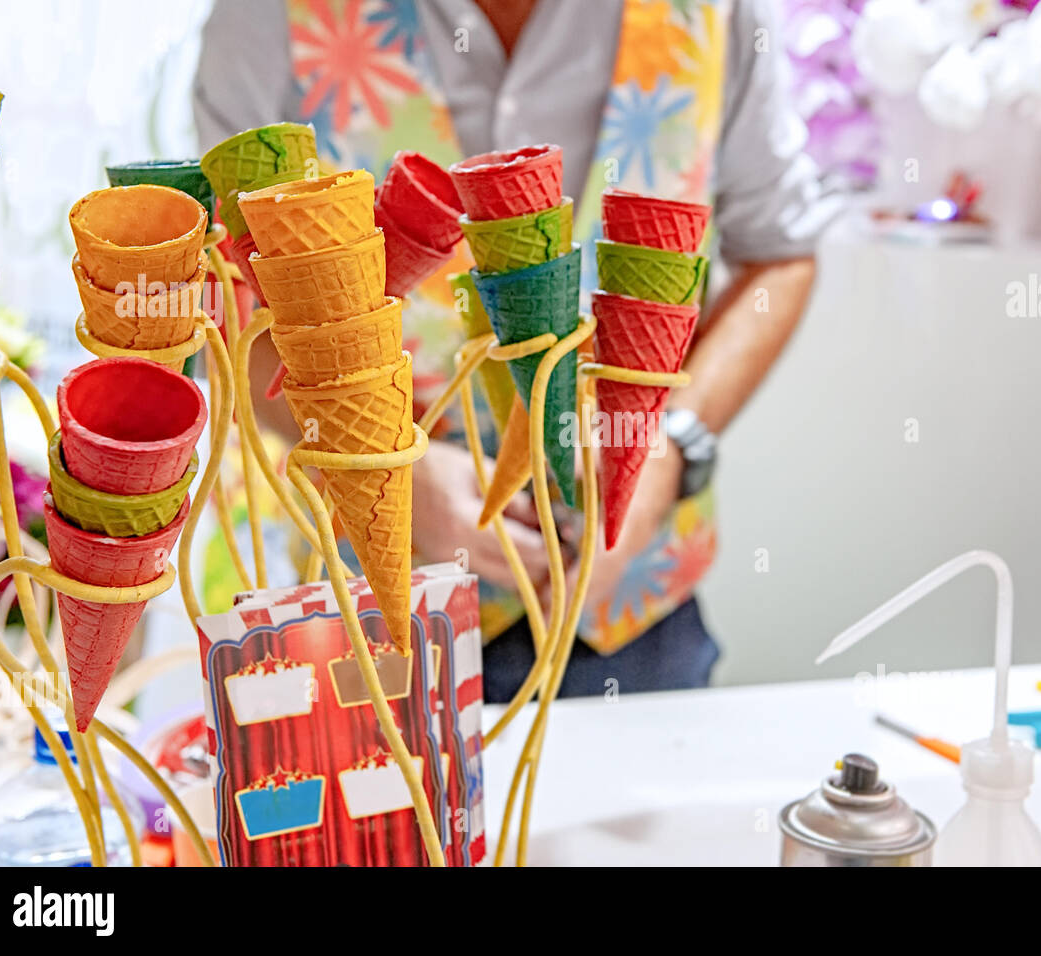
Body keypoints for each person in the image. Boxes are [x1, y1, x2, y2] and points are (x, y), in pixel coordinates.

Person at [194, 0, 836, 702]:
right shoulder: (264, 16)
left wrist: (667, 446)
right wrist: (388, 471)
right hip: (372, 608)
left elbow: (778, 255)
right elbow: (227, 296)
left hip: (633, 622)